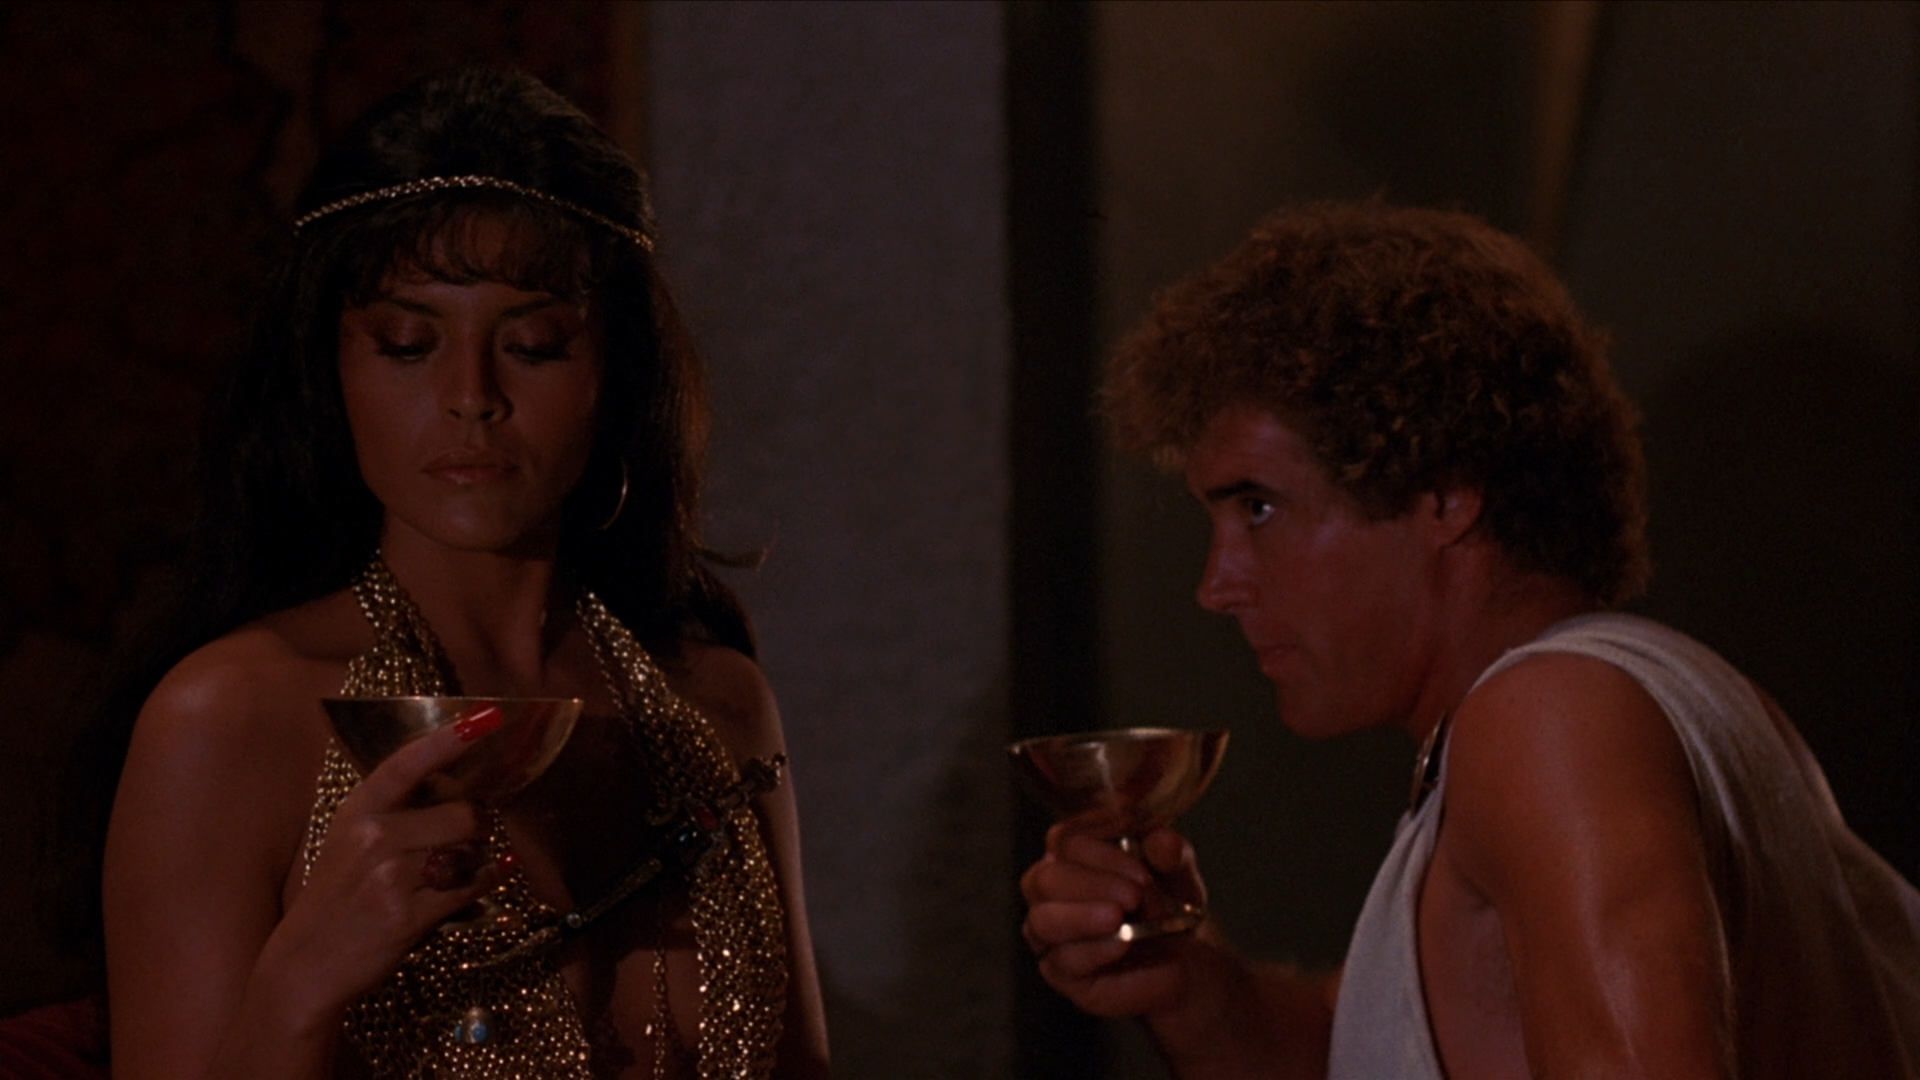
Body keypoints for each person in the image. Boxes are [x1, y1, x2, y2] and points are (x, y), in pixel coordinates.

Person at [1020, 201, 1920, 1079]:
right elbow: (1383, 1047)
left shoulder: (1551, 721)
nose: (1217, 585)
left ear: (1444, 496)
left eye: (1259, 508)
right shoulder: (1678, 701)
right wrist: (1190, 988)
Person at [64, 68, 828, 1078]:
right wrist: (303, 983)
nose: (472, 396)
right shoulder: (229, 718)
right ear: (331, 369)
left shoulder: (719, 704)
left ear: (616, 371)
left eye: (535, 346)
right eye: (407, 345)